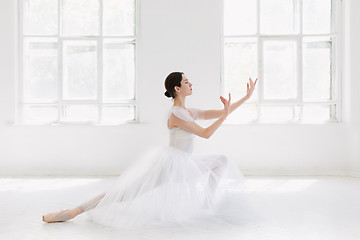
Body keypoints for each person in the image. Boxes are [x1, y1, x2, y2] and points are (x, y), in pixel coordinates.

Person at [42, 72, 258, 230]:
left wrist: (245, 98)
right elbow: (206, 133)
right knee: (123, 193)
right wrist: (224, 115)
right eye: (186, 82)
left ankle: (207, 205)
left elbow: (222, 112)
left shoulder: (188, 111)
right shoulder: (176, 115)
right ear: (177, 88)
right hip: (168, 167)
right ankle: (72, 212)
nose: (190, 83)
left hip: (185, 164)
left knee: (221, 160)